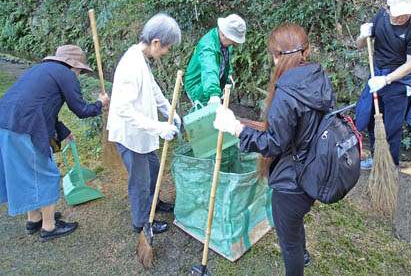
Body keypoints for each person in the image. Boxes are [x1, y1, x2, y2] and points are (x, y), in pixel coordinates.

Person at [214, 23, 335, 276]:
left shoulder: (285, 92)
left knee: (287, 242)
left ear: (275, 56)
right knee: (294, 222)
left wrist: (236, 129)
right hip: (315, 167)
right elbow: (299, 128)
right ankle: (302, 252)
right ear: (307, 50)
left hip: (293, 181)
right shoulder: (319, 77)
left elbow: (274, 143)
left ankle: (297, 259)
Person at [0, 45, 109, 242]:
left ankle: (34, 219)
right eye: (80, 70)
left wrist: (64, 132)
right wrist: (100, 104)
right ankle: (49, 228)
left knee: (27, 173)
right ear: (73, 66)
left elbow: (43, 105)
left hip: (6, 123)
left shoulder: (40, 69)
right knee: (45, 173)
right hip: (25, 126)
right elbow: (81, 110)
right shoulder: (65, 74)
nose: (78, 74)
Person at [107, 13, 182, 234]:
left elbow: (153, 89)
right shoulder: (131, 65)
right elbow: (122, 109)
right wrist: (159, 128)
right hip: (130, 135)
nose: (166, 52)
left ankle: (154, 204)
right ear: (156, 42)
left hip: (141, 132)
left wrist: (170, 112)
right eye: (167, 48)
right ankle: (141, 222)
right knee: (140, 180)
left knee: (153, 168)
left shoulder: (141, 58)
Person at [355, 0, 411, 169]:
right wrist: (363, 35)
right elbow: (360, 45)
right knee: (373, 119)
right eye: (397, 13)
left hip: (399, 80)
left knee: (392, 126)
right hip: (377, 72)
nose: (402, 17)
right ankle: (376, 158)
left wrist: (386, 80)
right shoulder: (380, 17)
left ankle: (391, 165)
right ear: (387, 8)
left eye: (406, 13)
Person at [184, 14, 246, 105]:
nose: (234, 43)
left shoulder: (225, 43)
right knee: (204, 116)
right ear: (223, 34)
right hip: (198, 86)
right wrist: (213, 94)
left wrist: (228, 76)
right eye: (233, 40)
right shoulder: (208, 47)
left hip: (212, 83)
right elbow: (209, 70)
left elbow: (225, 61)